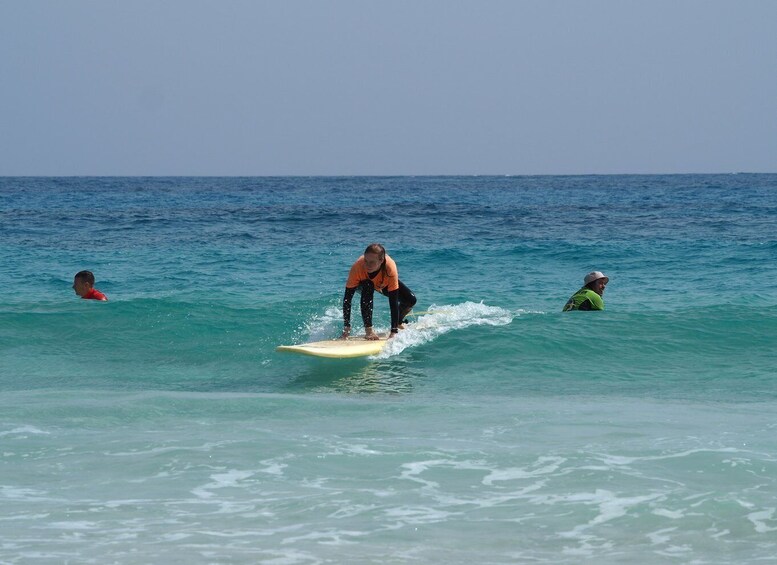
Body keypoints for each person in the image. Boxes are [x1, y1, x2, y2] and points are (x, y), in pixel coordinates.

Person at [341, 243, 416, 340]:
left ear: (381, 260)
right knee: (368, 286)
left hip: (382, 283)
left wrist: (393, 332)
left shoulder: (390, 268)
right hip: (362, 284)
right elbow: (347, 300)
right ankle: (368, 331)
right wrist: (346, 327)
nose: (367, 265)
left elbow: (393, 302)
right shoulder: (358, 267)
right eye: (366, 261)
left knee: (410, 300)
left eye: (371, 262)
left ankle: (398, 323)